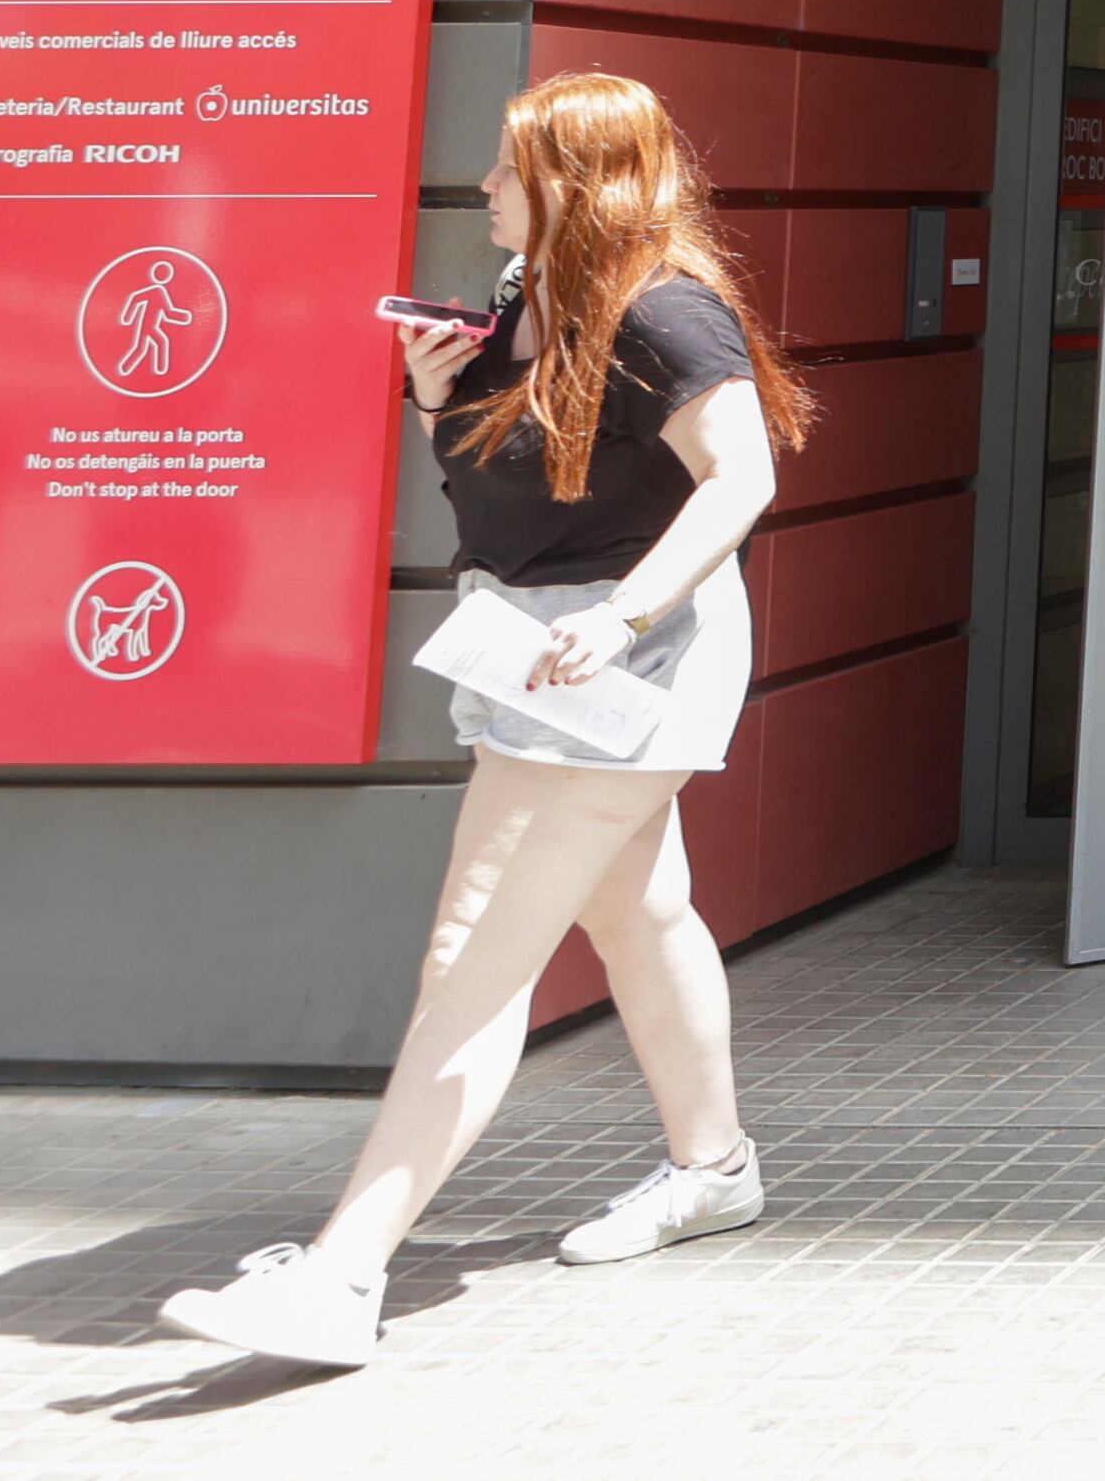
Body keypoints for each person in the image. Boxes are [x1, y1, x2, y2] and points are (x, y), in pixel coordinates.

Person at [156, 73, 814, 1374]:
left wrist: (624, 616)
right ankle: (715, 1166)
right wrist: (429, 392)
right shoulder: (529, 301)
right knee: (638, 911)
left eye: (509, 168)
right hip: (542, 648)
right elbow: (516, 487)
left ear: (577, 181)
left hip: (613, 659)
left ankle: (343, 1271)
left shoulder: (663, 308)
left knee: (472, 955)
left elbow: (744, 472)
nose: (486, 188)